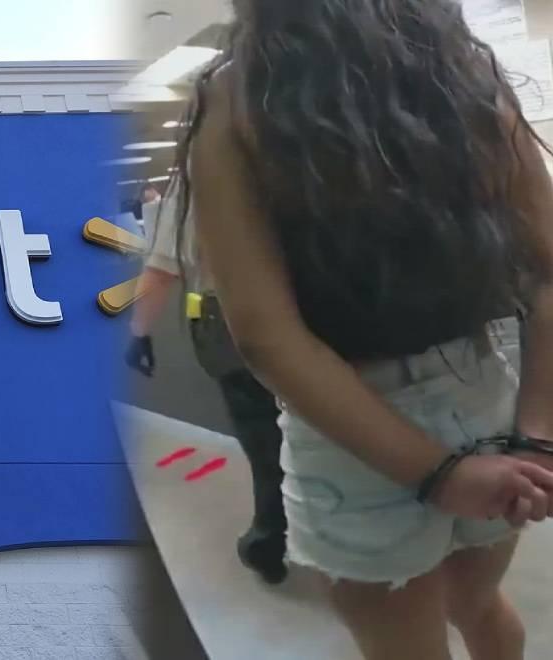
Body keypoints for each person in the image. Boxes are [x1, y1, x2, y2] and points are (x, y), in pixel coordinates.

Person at [173, 1, 553, 658]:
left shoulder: (238, 98)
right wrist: (538, 433)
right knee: (481, 606)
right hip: (490, 387)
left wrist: (435, 474)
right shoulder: (463, 72)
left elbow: (266, 334)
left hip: (351, 423)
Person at [126, 190, 289, 585]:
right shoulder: (313, 147)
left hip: (238, 325)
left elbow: (163, 268)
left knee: (264, 436)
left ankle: (271, 538)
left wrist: (139, 333)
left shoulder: (200, 167)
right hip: (322, 314)